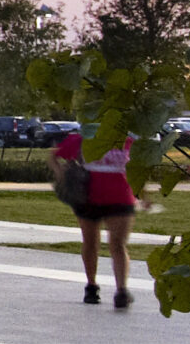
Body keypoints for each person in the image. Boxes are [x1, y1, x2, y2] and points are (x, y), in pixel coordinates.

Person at [51, 123, 137, 309]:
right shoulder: (83, 139)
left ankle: (121, 290)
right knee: (90, 242)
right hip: (88, 197)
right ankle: (91, 285)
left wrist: (142, 194)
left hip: (120, 198)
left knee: (118, 244)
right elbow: (54, 156)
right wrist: (62, 177)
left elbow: (137, 170)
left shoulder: (126, 141)